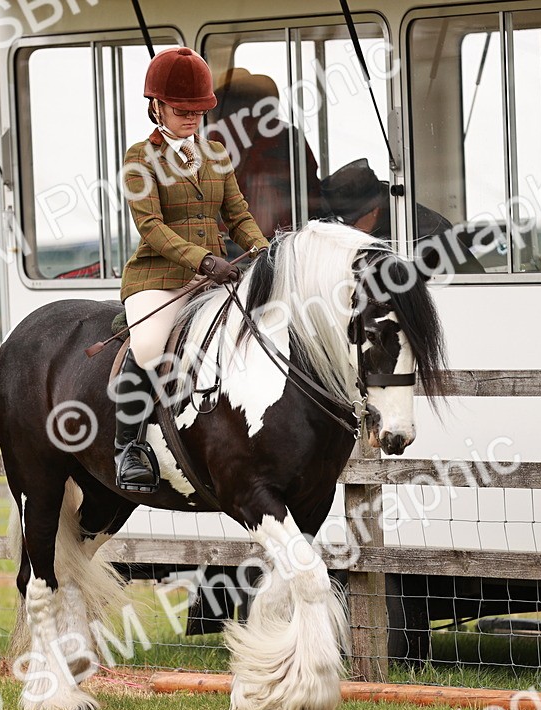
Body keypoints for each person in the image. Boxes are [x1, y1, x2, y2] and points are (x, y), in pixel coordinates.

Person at [116, 47, 269, 493]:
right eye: (182, 111)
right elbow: (151, 227)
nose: (192, 119)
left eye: (199, 111)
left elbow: (237, 216)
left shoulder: (216, 153)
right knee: (147, 346)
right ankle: (128, 447)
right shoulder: (139, 158)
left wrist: (262, 253)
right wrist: (202, 259)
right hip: (159, 278)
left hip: (216, 275)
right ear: (156, 107)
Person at [207, 68, 324, 236]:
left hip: (231, 243)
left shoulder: (215, 138)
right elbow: (312, 193)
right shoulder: (288, 134)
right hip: (284, 240)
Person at [322, 158, 486, 274]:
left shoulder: (424, 235)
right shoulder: (381, 228)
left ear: (373, 209)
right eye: (341, 222)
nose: (348, 229)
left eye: (351, 221)